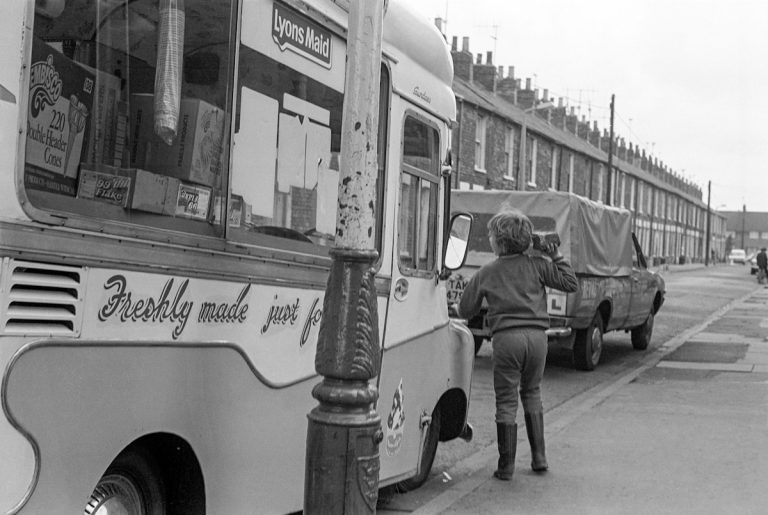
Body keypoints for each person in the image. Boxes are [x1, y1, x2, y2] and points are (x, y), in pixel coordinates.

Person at [458, 210, 578, 481]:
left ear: (498, 242)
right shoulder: (538, 265)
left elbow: (466, 309)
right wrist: (556, 255)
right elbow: (570, 284)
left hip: (507, 340)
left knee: (506, 400)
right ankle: (539, 458)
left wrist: (466, 307)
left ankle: (506, 466)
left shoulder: (487, 272)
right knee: (532, 392)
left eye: (491, 236)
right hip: (537, 339)